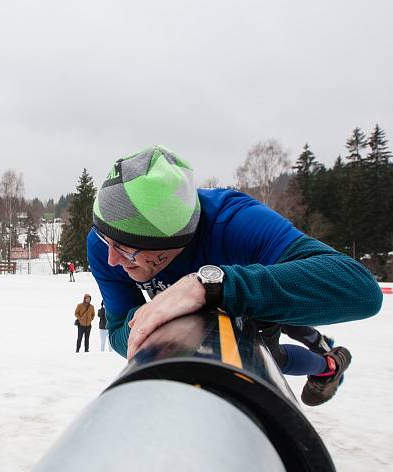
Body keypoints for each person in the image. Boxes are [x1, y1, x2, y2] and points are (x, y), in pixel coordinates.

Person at [89, 145, 382, 406]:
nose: (112, 259)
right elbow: (117, 330)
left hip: (248, 294)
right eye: (106, 241)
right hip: (233, 301)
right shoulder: (104, 245)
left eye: (127, 250)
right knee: (273, 360)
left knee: (272, 336)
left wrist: (211, 287)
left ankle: (328, 363)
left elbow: (362, 290)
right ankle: (324, 359)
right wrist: (158, 323)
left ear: (172, 241)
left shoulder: (234, 221)